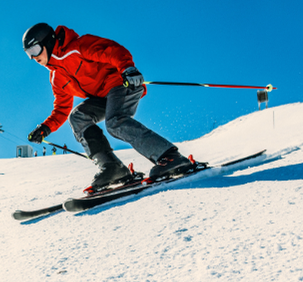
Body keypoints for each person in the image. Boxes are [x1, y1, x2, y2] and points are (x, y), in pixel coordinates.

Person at [22, 23, 193, 190]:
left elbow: (112, 50)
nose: (33, 57)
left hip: (122, 82)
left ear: (48, 41)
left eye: (35, 50)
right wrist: (45, 128)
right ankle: (112, 168)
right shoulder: (56, 77)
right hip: (103, 98)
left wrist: (128, 68)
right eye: (29, 53)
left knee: (115, 121)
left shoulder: (77, 47)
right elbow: (61, 109)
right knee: (78, 117)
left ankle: (169, 157)